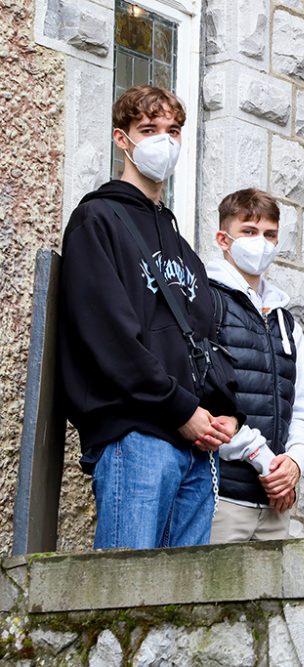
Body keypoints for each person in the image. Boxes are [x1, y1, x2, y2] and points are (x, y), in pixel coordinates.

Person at [58, 85, 240, 550]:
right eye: (149, 129)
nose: (164, 141)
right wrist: (180, 409)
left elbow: (204, 340)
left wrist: (223, 414)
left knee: (179, 612)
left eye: (173, 130)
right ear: (123, 139)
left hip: (196, 448)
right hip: (136, 437)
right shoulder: (97, 221)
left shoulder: (181, 246)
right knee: (123, 602)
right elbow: (110, 339)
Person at [206, 188, 304, 543]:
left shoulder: (286, 321)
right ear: (224, 239)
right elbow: (205, 403)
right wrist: (268, 464)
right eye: (249, 232)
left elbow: (301, 407)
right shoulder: (207, 303)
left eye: (270, 234)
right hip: (220, 498)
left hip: (275, 505)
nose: (262, 243)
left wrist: (295, 463)